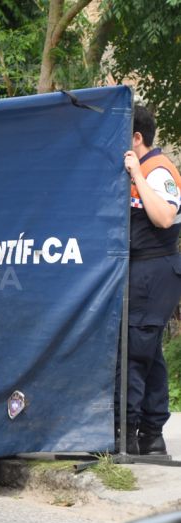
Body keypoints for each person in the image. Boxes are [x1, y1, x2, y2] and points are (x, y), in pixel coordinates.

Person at [119, 105, 181, 455]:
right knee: (148, 353)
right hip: (143, 270)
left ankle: (126, 433)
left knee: (134, 353)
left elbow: (164, 217)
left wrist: (137, 176)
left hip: (154, 271)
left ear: (137, 138)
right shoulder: (139, 170)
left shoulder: (157, 170)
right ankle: (152, 436)